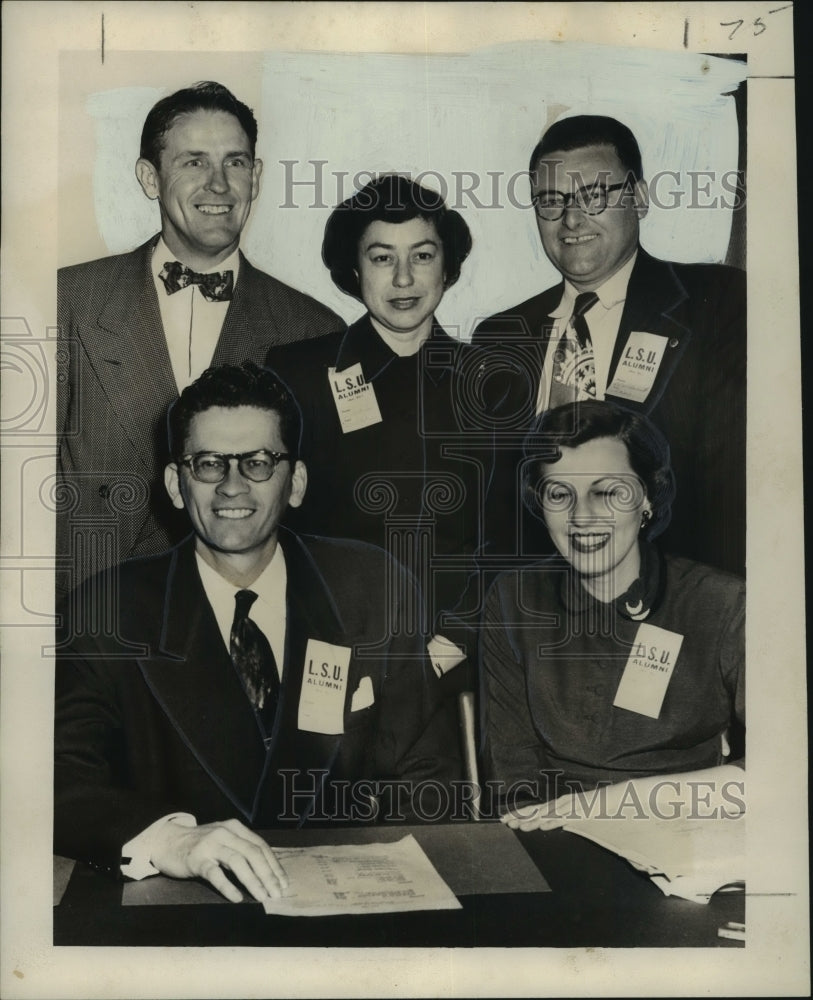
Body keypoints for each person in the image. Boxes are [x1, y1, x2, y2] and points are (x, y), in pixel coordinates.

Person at [54, 362, 460, 903]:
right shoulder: (105, 612)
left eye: (259, 462)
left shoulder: (375, 586)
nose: (232, 485)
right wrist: (169, 839)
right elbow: (51, 779)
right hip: (178, 920)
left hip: (355, 911)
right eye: (208, 463)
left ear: (296, 483)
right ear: (176, 485)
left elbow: (429, 776)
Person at [57, 81, 342, 596]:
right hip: (91, 613)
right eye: (193, 162)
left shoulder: (314, 328)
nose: (218, 184)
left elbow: (317, 510)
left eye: (234, 162)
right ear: (150, 177)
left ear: (255, 178)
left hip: (241, 620)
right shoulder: (67, 300)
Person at [471, 114, 746, 576]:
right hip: (533, 617)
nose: (571, 219)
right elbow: (491, 509)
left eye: (594, 195)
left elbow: (730, 492)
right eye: (550, 201)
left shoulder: (715, 303)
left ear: (638, 198)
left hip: (668, 599)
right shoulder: (501, 335)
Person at [480, 401, 745, 827]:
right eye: (560, 494)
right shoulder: (515, 598)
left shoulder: (722, 603)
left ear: (647, 501)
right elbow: (514, 776)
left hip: (686, 832)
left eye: (608, 492)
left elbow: (780, 768)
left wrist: (616, 802)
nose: (582, 517)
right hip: (554, 831)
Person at [266, 174, 480, 691]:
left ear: (447, 267)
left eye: (423, 256)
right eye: (383, 258)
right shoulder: (298, 373)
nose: (404, 280)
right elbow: (272, 521)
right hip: (321, 649)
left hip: (450, 660)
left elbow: (508, 535)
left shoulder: (492, 385)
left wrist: (456, 638)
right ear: (353, 270)